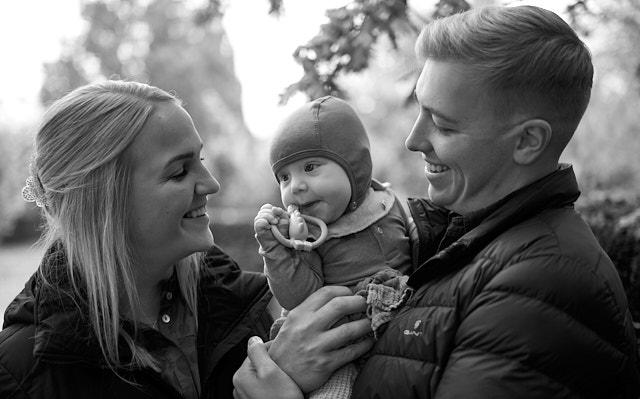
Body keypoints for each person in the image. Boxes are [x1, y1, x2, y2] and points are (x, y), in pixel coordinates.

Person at [235, 5, 640, 398]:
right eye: (419, 111)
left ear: (527, 141)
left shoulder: (542, 288)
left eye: (443, 124)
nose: (413, 140)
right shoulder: (456, 240)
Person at [0, 80, 373, 399]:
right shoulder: (21, 376)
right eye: (180, 171)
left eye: (201, 160)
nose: (212, 184)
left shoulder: (246, 309)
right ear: (103, 202)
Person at [254, 95, 414, 398]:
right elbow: (296, 296)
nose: (296, 186)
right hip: (336, 350)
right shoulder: (307, 237)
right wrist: (277, 248)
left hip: (400, 334)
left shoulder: (391, 203)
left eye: (311, 167)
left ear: (354, 166)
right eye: (284, 177)